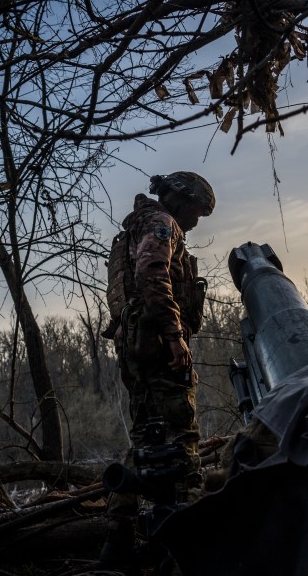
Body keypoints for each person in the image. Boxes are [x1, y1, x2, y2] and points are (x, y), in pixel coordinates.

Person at [99, 171, 216, 567]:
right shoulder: (162, 224)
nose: (197, 221)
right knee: (183, 440)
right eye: (197, 211)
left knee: (146, 441)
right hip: (157, 348)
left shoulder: (132, 229)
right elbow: (152, 273)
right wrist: (173, 334)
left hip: (136, 350)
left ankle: (117, 541)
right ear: (180, 201)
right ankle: (191, 544)